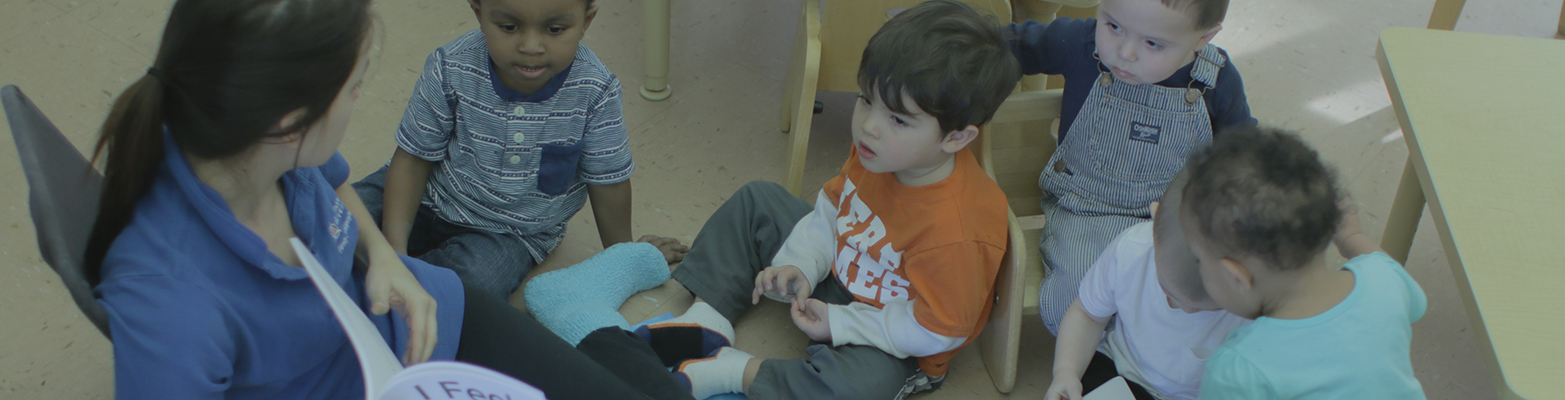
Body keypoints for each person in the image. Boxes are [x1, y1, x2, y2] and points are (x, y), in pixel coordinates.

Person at [84, 0, 692, 398]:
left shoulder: (243, 135)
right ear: (293, 120)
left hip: (430, 322)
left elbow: (335, 180)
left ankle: (628, 345)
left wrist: (383, 258)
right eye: (354, 87)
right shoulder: (170, 308)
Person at [523, 2, 1019, 399]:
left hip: (895, 337)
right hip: (839, 277)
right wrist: (804, 263)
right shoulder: (880, 150)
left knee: (854, 388)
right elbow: (831, 212)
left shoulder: (957, 229)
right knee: (757, 200)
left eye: (899, 119)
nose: (868, 124)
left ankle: (736, 373)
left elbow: (938, 331)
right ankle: (706, 319)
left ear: (956, 139)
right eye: (867, 100)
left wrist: (842, 323)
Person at [351, 0, 684, 300]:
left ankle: (388, 293)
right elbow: (412, 159)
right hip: (429, 193)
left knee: (473, 285)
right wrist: (393, 252)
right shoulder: (450, 65)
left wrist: (623, 259)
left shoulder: (596, 90)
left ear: (587, 20)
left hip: (510, 234)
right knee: (336, 214)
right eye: (509, 27)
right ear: (479, 12)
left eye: (555, 29)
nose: (530, 46)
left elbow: (608, 183)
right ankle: (377, 278)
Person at [1005, 0, 1257, 334]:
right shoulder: (1082, 43)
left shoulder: (1217, 79)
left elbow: (1245, 155)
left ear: (1202, 38)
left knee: (1218, 305)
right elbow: (1010, 43)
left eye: (1152, 43)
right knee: (1076, 307)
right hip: (1087, 209)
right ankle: (1105, 365)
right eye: (1112, 26)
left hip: (1173, 220)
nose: (1125, 52)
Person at [1178, 126, 1427, 399]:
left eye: (1198, 259)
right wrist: (1352, 238)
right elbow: (1415, 302)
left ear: (1237, 278)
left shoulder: (1241, 368)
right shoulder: (1384, 279)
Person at [1044, 170, 1246, 400]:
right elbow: (1087, 314)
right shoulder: (1132, 250)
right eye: (1168, 291)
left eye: (1209, 308)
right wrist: (1065, 372)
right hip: (1120, 369)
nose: (1186, 310)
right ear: (1155, 223)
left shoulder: (1255, 303)